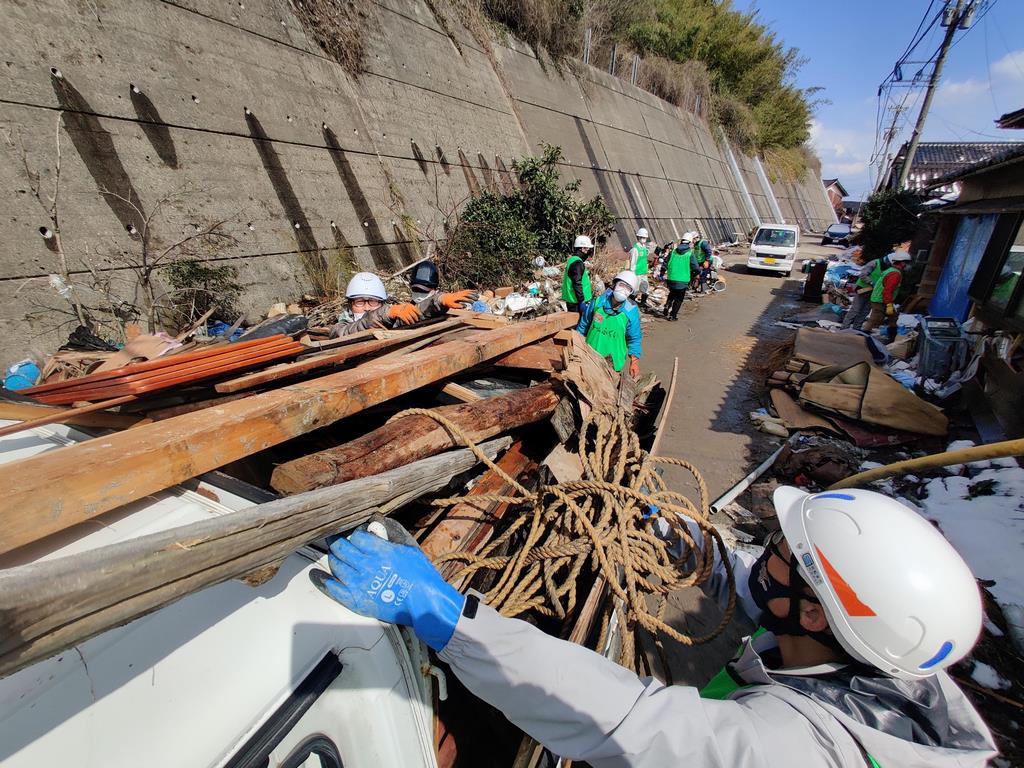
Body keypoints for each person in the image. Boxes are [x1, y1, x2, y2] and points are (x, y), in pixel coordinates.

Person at [313, 487, 996, 767]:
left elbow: (629, 721)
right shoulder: (886, 664)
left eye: (786, 554)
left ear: (816, 614)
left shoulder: (792, 748)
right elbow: (748, 580)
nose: (767, 554)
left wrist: (448, 616)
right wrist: (671, 535)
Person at [330, 272, 476, 337]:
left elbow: (415, 312)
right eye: (360, 302)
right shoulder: (339, 329)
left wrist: (438, 300)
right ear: (350, 305)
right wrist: (385, 313)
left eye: (373, 301)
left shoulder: (389, 321)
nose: (367, 307)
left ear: (382, 302)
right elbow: (357, 327)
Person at [575, 270, 642, 378]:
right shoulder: (598, 303)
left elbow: (634, 338)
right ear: (615, 285)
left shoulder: (630, 312)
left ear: (631, 292)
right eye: (621, 285)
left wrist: (634, 362)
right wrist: (576, 346)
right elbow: (583, 325)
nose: (623, 290)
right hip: (589, 357)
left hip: (613, 364)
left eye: (628, 288)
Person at [843, 243, 901, 329]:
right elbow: (863, 275)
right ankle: (845, 327)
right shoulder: (875, 263)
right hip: (863, 289)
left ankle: (857, 328)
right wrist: (871, 282)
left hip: (873, 292)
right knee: (855, 309)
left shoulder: (889, 268)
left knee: (865, 311)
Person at [861, 250, 912, 341]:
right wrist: (888, 304)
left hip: (882, 299)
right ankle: (862, 336)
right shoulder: (895, 274)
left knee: (893, 317)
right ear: (902, 263)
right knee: (875, 319)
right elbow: (887, 291)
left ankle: (892, 337)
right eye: (907, 263)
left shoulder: (891, 270)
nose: (908, 266)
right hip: (881, 300)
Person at [660, 234, 700, 321]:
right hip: (682, 280)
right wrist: (696, 273)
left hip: (671, 278)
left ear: (681, 241)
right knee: (679, 299)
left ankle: (667, 305)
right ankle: (673, 315)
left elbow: (665, 263)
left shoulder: (673, 251)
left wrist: (662, 273)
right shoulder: (690, 254)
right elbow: (696, 267)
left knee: (672, 293)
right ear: (689, 242)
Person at [562, 235, 595, 315]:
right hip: (576, 303)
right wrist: (582, 301)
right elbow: (577, 283)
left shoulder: (573, 260)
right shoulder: (577, 263)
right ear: (582, 249)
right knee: (578, 325)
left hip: (573, 300)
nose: (588, 252)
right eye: (587, 249)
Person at [627, 228, 651, 307]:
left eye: (644, 238)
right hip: (637, 273)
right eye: (642, 237)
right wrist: (632, 274)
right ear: (638, 238)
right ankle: (631, 305)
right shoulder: (635, 249)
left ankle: (643, 303)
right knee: (635, 290)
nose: (643, 239)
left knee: (645, 289)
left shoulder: (644, 247)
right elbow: (632, 263)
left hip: (643, 272)